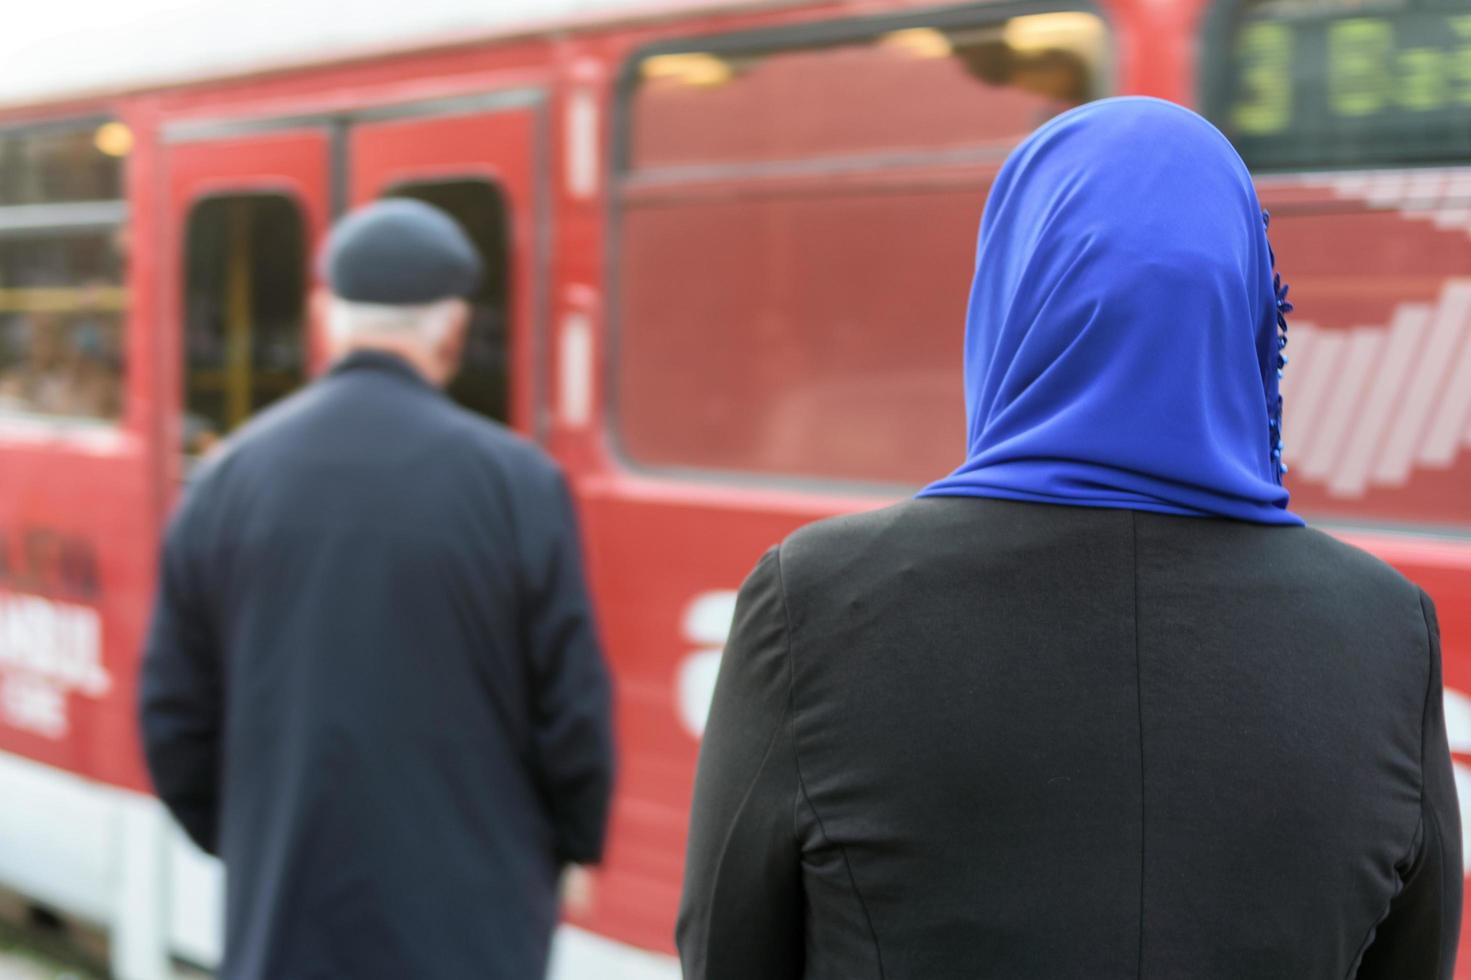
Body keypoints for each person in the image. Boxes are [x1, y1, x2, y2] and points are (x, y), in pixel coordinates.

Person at [677, 98, 1460, 979]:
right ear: (1245, 309)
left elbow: (727, 951)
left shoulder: (813, 601)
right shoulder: (1385, 632)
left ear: (1013, 288)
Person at [140, 199, 615, 980]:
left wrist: (258, 837)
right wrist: (570, 846)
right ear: (454, 327)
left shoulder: (228, 478)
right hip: (475, 924)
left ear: (325, 315)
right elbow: (572, 708)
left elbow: (172, 717)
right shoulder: (517, 482)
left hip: (288, 913)